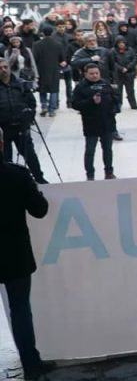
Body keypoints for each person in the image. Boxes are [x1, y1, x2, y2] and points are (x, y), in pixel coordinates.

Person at [0, 130, 55, 381]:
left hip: (14, 254)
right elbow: (40, 210)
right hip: (14, 253)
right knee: (21, 309)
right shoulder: (17, 175)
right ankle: (31, 364)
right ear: (2, 144)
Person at [0, 59, 48, 184]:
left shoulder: (20, 84)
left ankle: (39, 178)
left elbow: (31, 103)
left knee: (30, 155)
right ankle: (8, 183)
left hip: (21, 126)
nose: (3, 70)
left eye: (5, 67)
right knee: (5, 158)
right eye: (0, 68)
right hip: (3, 129)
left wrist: (28, 118)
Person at [72, 63, 119, 180]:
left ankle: (109, 172)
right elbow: (75, 104)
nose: (94, 76)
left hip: (107, 122)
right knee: (90, 151)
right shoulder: (81, 87)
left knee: (108, 149)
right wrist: (91, 101)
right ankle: (90, 174)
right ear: (85, 74)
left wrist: (115, 108)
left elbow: (115, 98)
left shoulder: (105, 84)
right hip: (91, 123)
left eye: (96, 73)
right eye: (91, 74)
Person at [32, 26, 65, 117]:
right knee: (54, 89)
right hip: (54, 69)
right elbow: (62, 59)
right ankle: (52, 109)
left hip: (41, 69)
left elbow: (34, 58)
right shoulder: (58, 44)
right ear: (52, 32)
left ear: (42, 33)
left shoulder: (36, 44)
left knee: (42, 89)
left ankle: (44, 106)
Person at [111, 37, 137, 111]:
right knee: (118, 91)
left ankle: (133, 104)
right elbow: (112, 62)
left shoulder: (130, 50)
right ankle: (118, 105)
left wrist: (127, 67)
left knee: (130, 90)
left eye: (123, 43)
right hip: (118, 74)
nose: (121, 44)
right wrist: (121, 68)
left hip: (129, 73)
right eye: (119, 43)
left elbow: (135, 60)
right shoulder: (113, 51)